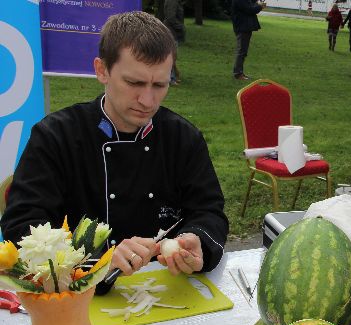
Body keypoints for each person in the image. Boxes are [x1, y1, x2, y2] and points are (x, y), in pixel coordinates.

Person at [0, 11, 228, 279]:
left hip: (164, 287)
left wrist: (198, 239)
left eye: (160, 85)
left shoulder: (183, 138)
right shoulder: (56, 136)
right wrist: (95, 259)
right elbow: (22, 227)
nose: (148, 100)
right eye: (134, 82)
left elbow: (209, 211)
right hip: (74, 295)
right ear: (102, 70)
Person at [231, 0, 266, 80]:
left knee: (243, 51)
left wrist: (258, 3)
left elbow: (251, 5)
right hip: (242, 27)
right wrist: (260, 6)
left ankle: (239, 72)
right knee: (241, 51)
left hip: (244, 27)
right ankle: (238, 74)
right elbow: (250, 10)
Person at [163, 0, 185, 85]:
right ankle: (170, 78)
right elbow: (170, 17)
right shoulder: (172, 1)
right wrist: (181, 27)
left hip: (173, 32)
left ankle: (173, 76)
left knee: (172, 56)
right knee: (171, 56)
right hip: (171, 32)